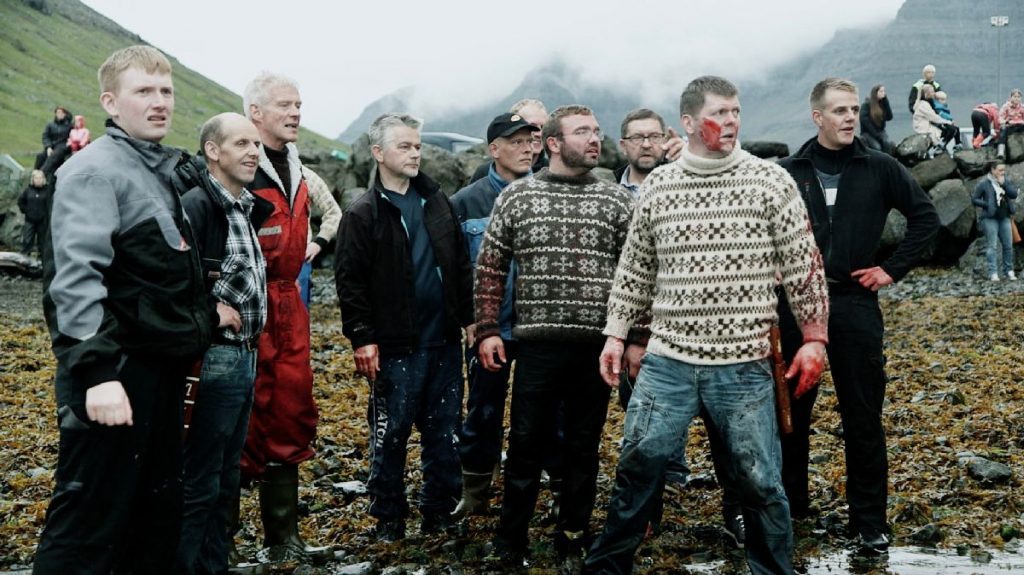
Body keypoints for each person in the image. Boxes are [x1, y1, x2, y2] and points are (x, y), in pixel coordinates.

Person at [584, 75, 830, 575]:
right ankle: (606, 569)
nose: (733, 121)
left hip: (744, 364)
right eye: (722, 112)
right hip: (667, 360)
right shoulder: (660, 185)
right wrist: (615, 333)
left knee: (760, 481)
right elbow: (635, 268)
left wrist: (815, 339)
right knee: (638, 467)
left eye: (738, 111)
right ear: (691, 122)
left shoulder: (769, 181)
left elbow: (805, 267)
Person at [33, 45, 229, 574]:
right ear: (111, 103)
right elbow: (73, 281)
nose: (160, 101)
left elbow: (157, 279)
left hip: (157, 376)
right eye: (144, 91)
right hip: (113, 375)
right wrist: (97, 373)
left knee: (152, 520)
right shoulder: (94, 172)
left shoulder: (158, 169)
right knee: (87, 525)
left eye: (166, 90)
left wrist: (208, 319)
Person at [474, 104, 640, 571]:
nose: (595, 139)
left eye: (597, 131)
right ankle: (512, 539)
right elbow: (489, 267)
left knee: (584, 445)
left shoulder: (616, 200)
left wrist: (634, 338)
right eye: (582, 131)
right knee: (525, 441)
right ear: (552, 143)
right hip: (537, 345)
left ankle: (573, 533)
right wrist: (487, 329)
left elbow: (638, 271)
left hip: (597, 345)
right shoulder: (517, 197)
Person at [777, 77, 938, 555]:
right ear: (817, 117)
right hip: (794, 308)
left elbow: (926, 219)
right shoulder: (787, 171)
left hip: (854, 305)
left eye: (853, 109)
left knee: (863, 416)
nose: (851, 117)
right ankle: (791, 506)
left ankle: (869, 522)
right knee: (790, 416)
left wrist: (890, 270)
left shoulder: (880, 167)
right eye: (840, 110)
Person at [335, 113, 474, 541]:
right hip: (395, 347)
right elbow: (349, 281)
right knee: (390, 435)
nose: (415, 153)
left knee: (446, 433)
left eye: (417, 146)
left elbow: (460, 265)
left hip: (445, 342)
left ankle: (439, 514)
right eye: (404, 147)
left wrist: (469, 320)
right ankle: (389, 519)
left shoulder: (437, 201)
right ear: (378, 153)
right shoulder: (363, 212)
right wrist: (363, 338)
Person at [612, 107, 743, 544]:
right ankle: (646, 518)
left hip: (709, 333)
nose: (647, 144)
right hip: (643, 339)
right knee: (645, 437)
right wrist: (631, 336)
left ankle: (737, 513)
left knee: (727, 433)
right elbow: (627, 276)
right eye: (637, 137)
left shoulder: (695, 179)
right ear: (623, 144)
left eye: (654, 135)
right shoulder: (613, 197)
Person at [239, 71, 331, 562]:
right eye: (284, 105)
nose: (296, 112)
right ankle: (221, 537)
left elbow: (330, 217)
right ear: (255, 113)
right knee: (238, 416)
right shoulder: (239, 167)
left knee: (291, 413)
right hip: (246, 307)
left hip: (290, 304)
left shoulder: (297, 167)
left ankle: (283, 538)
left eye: (299, 104)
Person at [176, 113, 273, 575]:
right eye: (241, 143)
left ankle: (213, 566)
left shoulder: (243, 206)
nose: (254, 151)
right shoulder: (197, 206)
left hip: (245, 356)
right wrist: (209, 312)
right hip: (213, 358)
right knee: (200, 480)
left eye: (256, 143)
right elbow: (171, 278)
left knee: (226, 477)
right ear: (213, 151)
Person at [448, 112, 552, 520]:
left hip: (541, 329)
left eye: (531, 141)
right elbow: (455, 269)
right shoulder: (465, 201)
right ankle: (475, 495)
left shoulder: (548, 193)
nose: (528, 148)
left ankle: (549, 491)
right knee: (483, 411)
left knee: (547, 413)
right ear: (494, 149)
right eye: (517, 142)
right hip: (490, 330)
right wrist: (470, 321)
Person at [470, 98, 550, 182]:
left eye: (543, 127)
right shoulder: (485, 173)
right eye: (532, 126)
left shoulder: (553, 172)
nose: (539, 133)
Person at [297, 167, 341, 308]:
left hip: (300, 261)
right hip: (260, 263)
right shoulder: (252, 172)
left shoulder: (305, 175)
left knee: (299, 318)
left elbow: (334, 212)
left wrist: (319, 243)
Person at [972, 161, 1019, 281]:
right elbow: (974, 199)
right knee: (992, 246)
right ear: (992, 170)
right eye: (1000, 170)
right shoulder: (984, 183)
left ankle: (1009, 270)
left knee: (1008, 245)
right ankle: (993, 272)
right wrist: (987, 204)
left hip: (1005, 217)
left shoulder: (1005, 181)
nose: (1002, 172)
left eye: (1003, 170)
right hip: (989, 218)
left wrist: (1004, 185)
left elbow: (1013, 194)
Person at [912, 84, 958, 155]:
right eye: (932, 92)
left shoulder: (926, 103)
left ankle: (941, 145)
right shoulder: (923, 105)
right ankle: (939, 146)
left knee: (951, 128)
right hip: (924, 128)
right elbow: (934, 117)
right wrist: (947, 122)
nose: (934, 93)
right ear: (927, 93)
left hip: (928, 124)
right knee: (951, 129)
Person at [34, 106, 73, 175]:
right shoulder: (50, 125)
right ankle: (34, 174)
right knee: (40, 156)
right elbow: (45, 136)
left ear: (65, 114)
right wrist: (48, 147)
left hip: (64, 146)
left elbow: (74, 136)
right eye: (57, 112)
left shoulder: (70, 126)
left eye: (61, 113)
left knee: (54, 155)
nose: (59, 114)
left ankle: (42, 173)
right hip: (52, 146)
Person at [17, 169, 48, 256]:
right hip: (30, 219)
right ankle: (24, 255)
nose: (38, 180)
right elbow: (20, 202)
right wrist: (26, 211)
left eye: (40, 178)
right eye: (36, 178)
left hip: (42, 221)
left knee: (42, 241)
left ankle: (42, 257)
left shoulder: (47, 191)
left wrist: (46, 215)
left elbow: (50, 204)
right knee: (27, 239)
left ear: (43, 179)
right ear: (33, 179)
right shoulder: (28, 190)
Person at [860, 85, 894, 155]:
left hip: (880, 131)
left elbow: (889, 117)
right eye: (881, 91)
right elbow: (864, 121)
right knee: (877, 147)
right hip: (868, 133)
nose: (883, 93)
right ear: (875, 93)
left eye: (884, 91)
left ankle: (887, 162)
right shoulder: (866, 105)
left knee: (887, 144)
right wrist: (876, 135)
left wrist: (886, 101)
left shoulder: (882, 104)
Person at [997, 88, 1024, 159]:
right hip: (1010, 126)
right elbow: (1000, 118)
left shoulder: (1022, 107)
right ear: (1011, 97)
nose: (1017, 99)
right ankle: (1001, 152)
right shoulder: (1006, 106)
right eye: (1015, 97)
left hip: (1020, 125)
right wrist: (1005, 122)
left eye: (1018, 97)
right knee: (1003, 129)